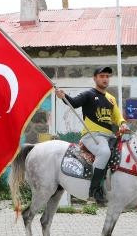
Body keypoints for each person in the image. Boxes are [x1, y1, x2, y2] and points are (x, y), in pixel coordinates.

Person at [55, 66, 129, 205]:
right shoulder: (88, 94)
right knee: (104, 152)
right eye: (102, 76)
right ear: (95, 78)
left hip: (110, 136)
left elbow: (118, 117)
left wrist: (123, 124)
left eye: (107, 76)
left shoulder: (111, 99)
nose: (105, 79)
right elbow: (74, 103)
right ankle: (95, 190)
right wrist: (63, 96)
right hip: (92, 136)